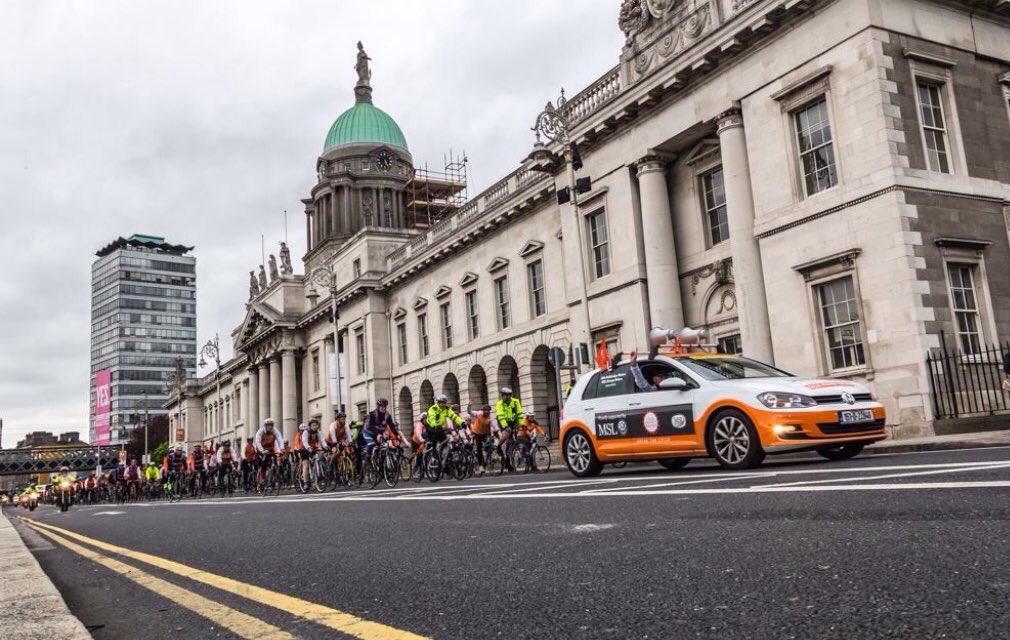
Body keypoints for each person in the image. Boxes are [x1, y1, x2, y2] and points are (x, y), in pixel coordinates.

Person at [426, 394, 464, 462]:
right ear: (438, 402)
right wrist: (434, 424)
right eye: (441, 402)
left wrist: (462, 423)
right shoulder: (433, 408)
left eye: (444, 402)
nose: (443, 404)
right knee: (435, 438)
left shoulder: (447, 409)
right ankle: (434, 454)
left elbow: (453, 416)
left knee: (445, 442)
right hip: (431, 426)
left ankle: (444, 459)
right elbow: (432, 418)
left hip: (440, 427)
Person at [495, 387, 523, 468]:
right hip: (502, 421)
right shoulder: (499, 404)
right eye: (502, 395)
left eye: (504, 396)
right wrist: (506, 426)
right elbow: (501, 416)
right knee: (506, 435)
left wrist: (522, 425)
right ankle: (498, 447)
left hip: (513, 421)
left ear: (509, 396)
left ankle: (507, 460)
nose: (502, 397)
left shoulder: (515, 402)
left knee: (512, 441)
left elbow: (520, 414)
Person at [298, 419, 323, 490]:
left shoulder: (318, 432)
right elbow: (305, 442)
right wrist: (308, 448)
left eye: (316, 425)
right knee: (306, 464)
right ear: (310, 426)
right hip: (304, 449)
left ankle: (317, 473)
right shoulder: (306, 432)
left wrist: (325, 447)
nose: (315, 427)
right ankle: (306, 482)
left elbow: (322, 441)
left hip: (312, 447)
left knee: (320, 454)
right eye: (313, 425)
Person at [470, 405, 493, 473]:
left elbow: (493, 426)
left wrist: (496, 433)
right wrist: (469, 406)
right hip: (476, 432)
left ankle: (487, 461)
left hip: (484, 433)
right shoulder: (478, 413)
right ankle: (480, 466)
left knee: (489, 445)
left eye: (488, 410)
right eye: (486, 410)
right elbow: (470, 412)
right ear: (483, 411)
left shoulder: (490, 417)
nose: (487, 412)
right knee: (479, 448)